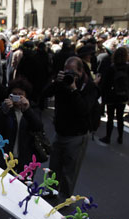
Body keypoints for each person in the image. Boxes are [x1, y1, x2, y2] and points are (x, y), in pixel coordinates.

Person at [43, 56, 98, 199]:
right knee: (54, 167)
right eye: (66, 71)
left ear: (80, 71)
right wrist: (56, 82)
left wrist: (74, 90)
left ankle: (64, 198)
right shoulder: (61, 83)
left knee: (69, 171)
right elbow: (44, 94)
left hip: (76, 135)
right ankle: (51, 191)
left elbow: (84, 109)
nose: (69, 75)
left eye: (72, 72)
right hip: (60, 132)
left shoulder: (90, 87)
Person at [0, 78, 43, 170]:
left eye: (20, 95)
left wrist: (27, 110)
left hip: (25, 159)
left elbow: (38, 127)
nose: (17, 97)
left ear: (26, 95)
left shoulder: (33, 109)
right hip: (6, 158)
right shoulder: (5, 109)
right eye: (14, 94)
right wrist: (4, 111)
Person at [99, 47, 129, 144]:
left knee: (110, 117)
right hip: (123, 95)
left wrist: (103, 95)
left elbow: (105, 83)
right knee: (120, 117)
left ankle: (108, 137)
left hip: (111, 95)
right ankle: (120, 137)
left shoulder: (111, 67)